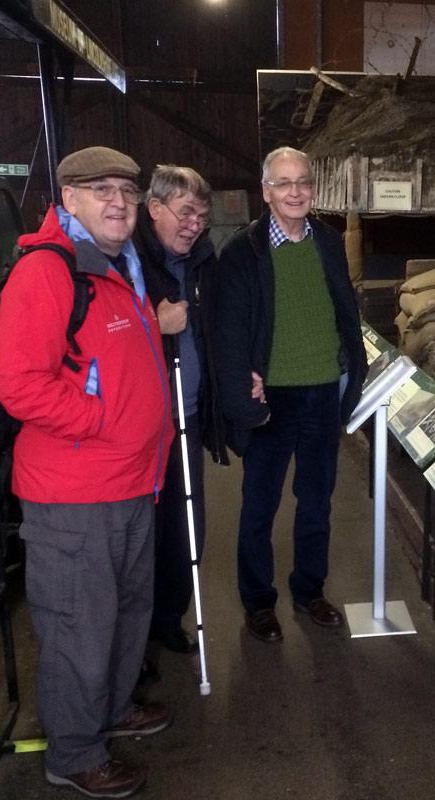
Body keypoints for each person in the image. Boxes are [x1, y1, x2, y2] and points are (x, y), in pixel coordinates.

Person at [0, 146, 173, 798]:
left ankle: (112, 711)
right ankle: (72, 752)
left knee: (125, 613)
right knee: (78, 627)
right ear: (68, 200)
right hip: (75, 496)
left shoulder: (116, 265)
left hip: (129, 483)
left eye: (126, 188)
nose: (118, 201)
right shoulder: (48, 272)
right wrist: (99, 420)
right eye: (100, 190)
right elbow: (17, 384)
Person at [213, 146, 366, 644]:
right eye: (283, 183)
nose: (295, 191)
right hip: (271, 399)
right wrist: (243, 388)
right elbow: (229, 332)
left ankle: (309, 590)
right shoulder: (244, 252)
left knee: (316, 500)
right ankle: (259, 602)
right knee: (260, 505)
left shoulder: (327, 241)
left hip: (322, 392)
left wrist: (352, 366)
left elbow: (342, 308)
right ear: (266, 191)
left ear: (312, 190)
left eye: (302, 182)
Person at [135, 165, 233, 668]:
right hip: (138, 426)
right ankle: (137, 635)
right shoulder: (129, 258)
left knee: (186, 524)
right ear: (155, 209)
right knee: (139, 530)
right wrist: (155, 324)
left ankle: (168, 617)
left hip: (188, 416)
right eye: (186, 212)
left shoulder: (202, 262)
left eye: (202, 215)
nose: (196, 223)